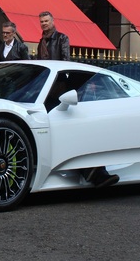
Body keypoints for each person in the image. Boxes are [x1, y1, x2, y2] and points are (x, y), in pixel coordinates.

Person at [37, 10, 119, 188]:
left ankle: (95, 170)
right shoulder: (41, 41)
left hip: (60, 90)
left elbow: (65, 62)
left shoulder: (61, 38)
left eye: (46, 21)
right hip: (47, 93)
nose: (44, 24)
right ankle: (89, 170)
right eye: (41, 21)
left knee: (72, 128)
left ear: (52, 21)